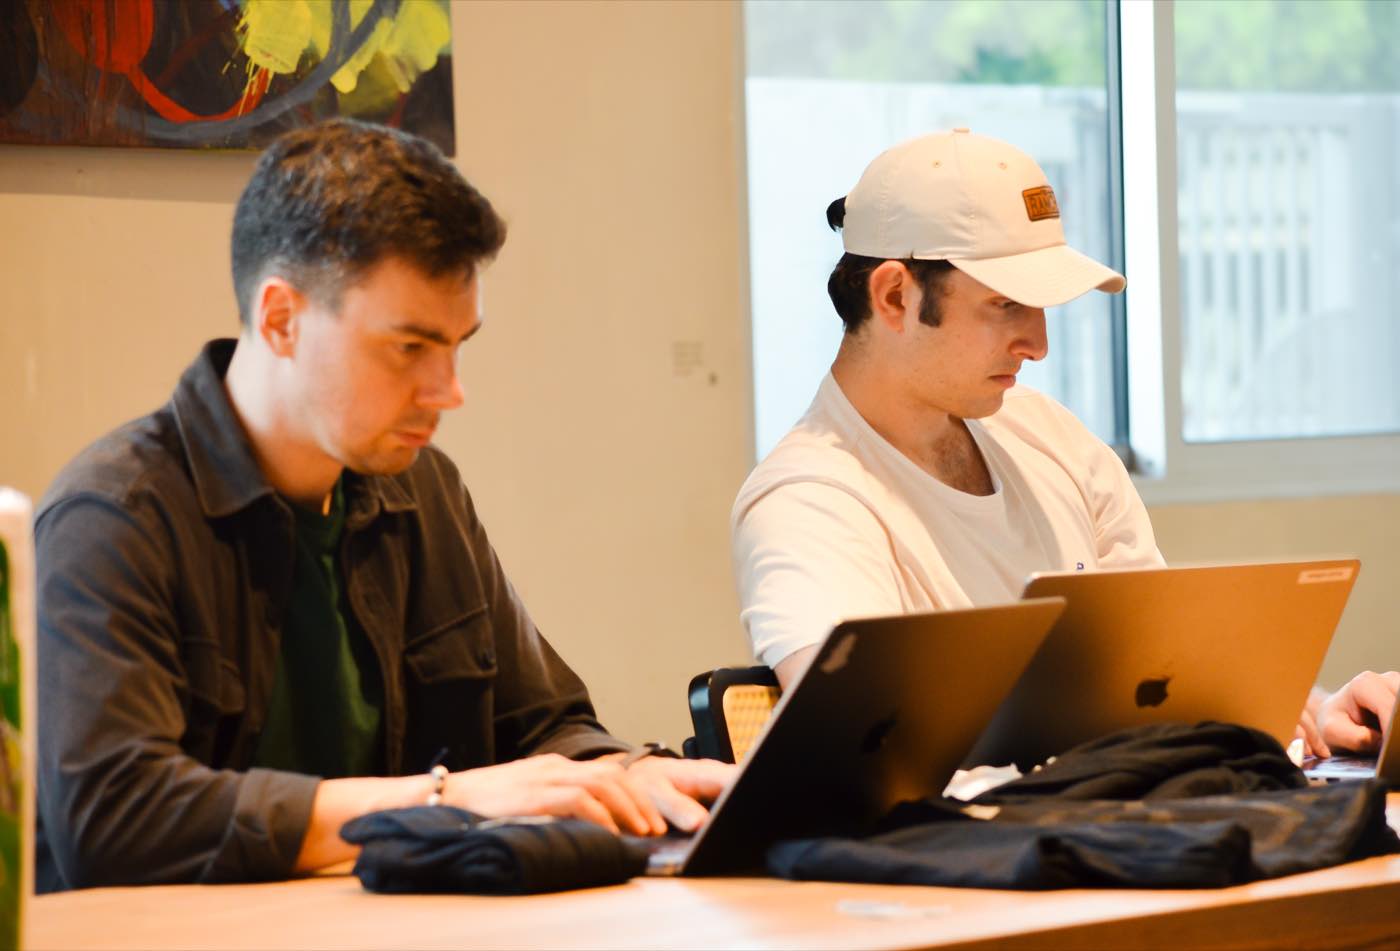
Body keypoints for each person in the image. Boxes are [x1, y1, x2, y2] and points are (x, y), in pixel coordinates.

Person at [34, 119, 733, 892]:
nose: (450, 392)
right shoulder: (112, 516)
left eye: (458, 345)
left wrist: (625, 777)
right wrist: (444, 799)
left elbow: (544, 724)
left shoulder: (424, 489)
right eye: (409, 347)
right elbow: (114, 821)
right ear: (281, 320)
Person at [730, 128, 1397, 756]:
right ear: (896, 296)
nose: (1039, 344)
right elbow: (876, 750)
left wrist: (1308, 709)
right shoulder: (807, 503)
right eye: (1005, 305)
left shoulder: (1045, 433)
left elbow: (1168, 672)